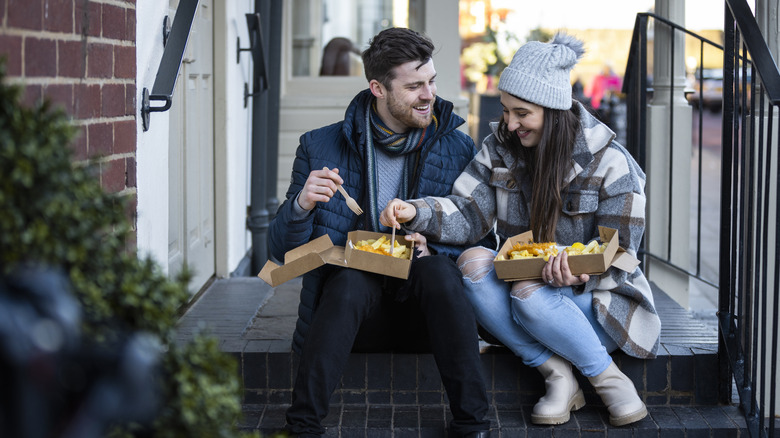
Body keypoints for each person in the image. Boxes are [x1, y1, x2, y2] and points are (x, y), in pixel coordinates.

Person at [380, 33, 661, 427]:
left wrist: (580, 268)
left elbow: (621, 250)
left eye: (522, 113)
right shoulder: (501, 148)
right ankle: (558, 374)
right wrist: (415, 211)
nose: (509, 123)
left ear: (554, 110)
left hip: (598, 303)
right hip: (525, 300)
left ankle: (608, 379)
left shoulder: (611, 162)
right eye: (507, 110)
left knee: (529, 291)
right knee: (473, 262)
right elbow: (468, 211)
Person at [267, 27, 492, 438]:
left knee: (440, 272)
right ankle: (301, 428)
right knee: (351, 278)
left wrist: (432, 246)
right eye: (414, 86)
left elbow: (479, 239)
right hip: (352, 318)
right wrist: (301, 205)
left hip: (428, 315)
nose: (429, 95)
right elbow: (283, 257)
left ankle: (473, 425)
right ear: (378, 88)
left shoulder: (457, 147)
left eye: (432, 82)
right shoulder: (319, 147)